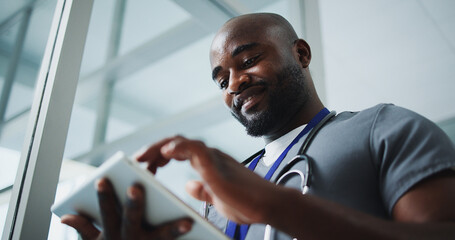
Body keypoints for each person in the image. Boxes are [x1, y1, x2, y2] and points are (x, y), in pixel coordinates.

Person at [62, 13, 455, 239]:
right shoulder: (220, 193)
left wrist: (272, 205)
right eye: (221, 80)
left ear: (300, 53)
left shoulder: (384, 127)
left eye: (248, 61)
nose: (234, 83)